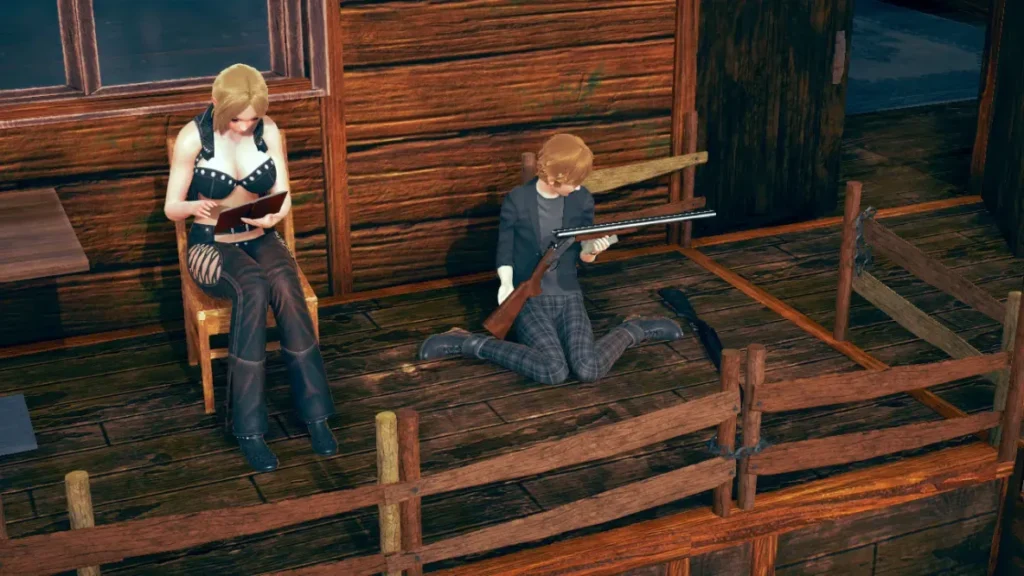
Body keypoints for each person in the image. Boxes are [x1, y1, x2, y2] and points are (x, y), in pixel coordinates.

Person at [164, 63, 336, 472]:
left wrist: (274, 215)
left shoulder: (268, 131)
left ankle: (316, 416)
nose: (245, 126)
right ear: (217, 104)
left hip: (258, 234)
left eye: (252, 119)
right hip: (209, 244)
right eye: (236, 119)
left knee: (287, 287)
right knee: (252, 287)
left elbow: (283, 192)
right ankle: (249, 429)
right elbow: (172, 208)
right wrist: (193, 206)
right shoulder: (193, 138)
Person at [418, 133, 685, 384]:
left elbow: (583, 254)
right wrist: (506, 283)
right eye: (574, 181)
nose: (579, 186)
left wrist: (592, 250)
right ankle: (467, 342)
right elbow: (505, 247)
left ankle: (633, 328)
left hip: (568, 295)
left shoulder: (581, 200)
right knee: (553, 371)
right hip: (530, 299)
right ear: (556, 176)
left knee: (588, 369)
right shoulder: (518, 200)